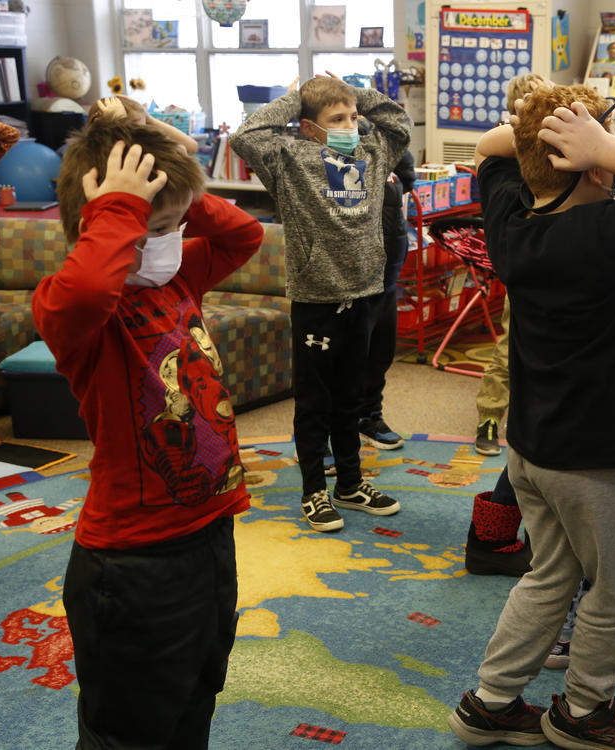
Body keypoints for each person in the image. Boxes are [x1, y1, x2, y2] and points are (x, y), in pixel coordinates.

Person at [447, 84, 615, 749]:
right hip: (598, 456)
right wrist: (599, 139)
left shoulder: (510, 217)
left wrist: (554, 132)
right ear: (598, 165)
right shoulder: (606, 231)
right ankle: (586, 712)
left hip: (533, 450)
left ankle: (492, 701)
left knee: (552, 574)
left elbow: (488, 146)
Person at [32, 110, 265, 747]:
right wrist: (117, 211)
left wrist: (179, 186)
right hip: (133, 566)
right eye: (150, 229)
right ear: (100, 222)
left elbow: (243, 236)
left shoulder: (177, 276)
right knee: (130, 731)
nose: (166, 242)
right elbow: (83, 291)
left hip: (208, 538)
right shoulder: (79, 312)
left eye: (173, 228)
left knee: (194, 700)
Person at [230, 74, 411, 532]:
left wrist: (354, 91)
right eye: (337, 119)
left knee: (351, 397)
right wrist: (297, 99)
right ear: (310, 128)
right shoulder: (290, 158)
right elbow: (245, 136)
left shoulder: (373, 153)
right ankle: (315, 491)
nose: (351, 124)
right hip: (316, 299)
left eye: (352, 117)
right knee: (316, 402)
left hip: (365, 292)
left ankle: (350, 483)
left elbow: (399, 124)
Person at [475, 72, 550, 457]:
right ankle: (489, 415)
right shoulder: (508, 142)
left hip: (545, 256)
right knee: (510, 343)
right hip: (526, 259)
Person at [354, 147, 416, 451]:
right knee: (343, 361)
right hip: (350, 281)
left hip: (387, 275)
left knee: (380, 354)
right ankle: (321, 431)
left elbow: (406, 174)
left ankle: (369, 417)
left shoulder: (387, 155)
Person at [86, 94, 200, 154]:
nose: (143, 131)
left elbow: (192, 147)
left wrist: (150, 119)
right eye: (135, 128)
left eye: (144, 125)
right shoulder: (101, 157)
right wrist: (118, 125)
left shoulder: (146, 146)